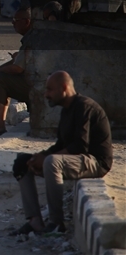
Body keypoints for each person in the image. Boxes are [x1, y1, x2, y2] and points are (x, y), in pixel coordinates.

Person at [12, 71, 112, 236]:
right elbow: (61, 144)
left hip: (95, 162)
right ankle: (35, 221)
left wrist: (47, 158)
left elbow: (81, 146)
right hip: (78, 159)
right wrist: (39, 157)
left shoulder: (84, 106)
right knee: (23, 162)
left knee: (51, 162)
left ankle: (56, 222)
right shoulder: (66, 109)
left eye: (50, 90)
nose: (46, 94)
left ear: (64, 88)